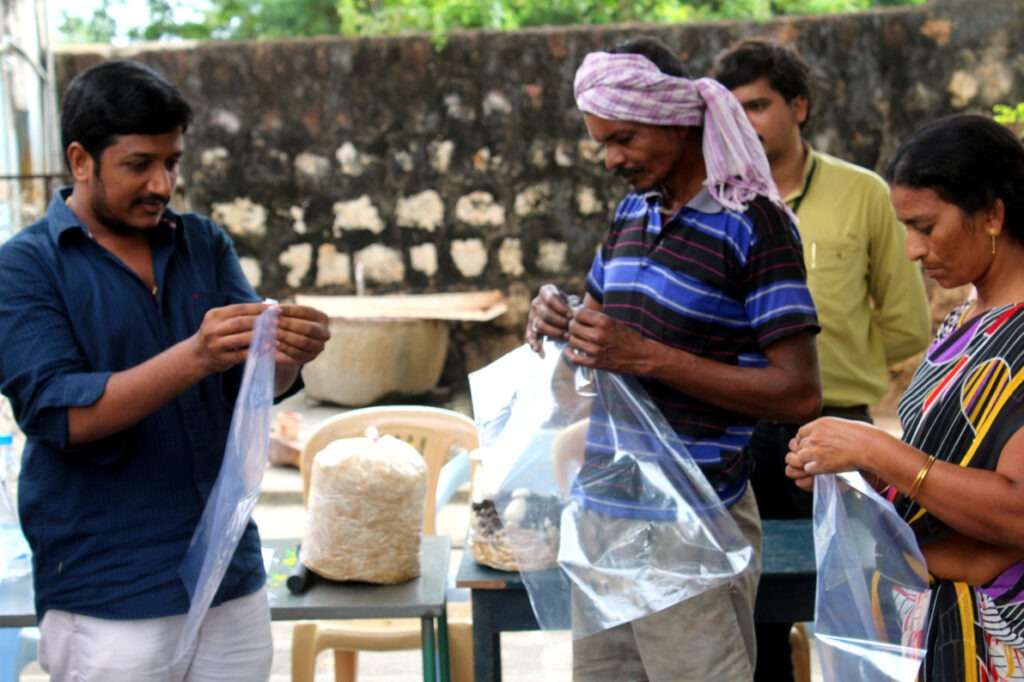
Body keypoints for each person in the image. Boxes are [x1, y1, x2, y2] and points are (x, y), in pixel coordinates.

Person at [0, 60, 330, 681]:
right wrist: (195, 355)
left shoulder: (201, 243)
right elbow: (60, 414)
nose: (161, 184)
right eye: (139, 164)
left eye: (172, 163)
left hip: (229, 576)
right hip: (110, 594)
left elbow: (251, 389)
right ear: (80, 161)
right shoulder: (24, 267)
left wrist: (288, 355)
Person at [527, 37, 822, 681]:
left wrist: (650, 358)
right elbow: (597, 344)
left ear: (676, 117)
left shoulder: (753, 224)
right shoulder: (633, 212)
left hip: (695, 526)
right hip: (607, 519)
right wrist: (556, 317)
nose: (612, 158)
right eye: (602, 141)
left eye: (624, 138)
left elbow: (799, 393)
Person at [710, 38, 932, 680]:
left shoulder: (863, 194)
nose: (746, 122)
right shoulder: (714, 202)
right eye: (733, 108)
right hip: (741, 429)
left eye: (759, 104)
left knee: (859, 599)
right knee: (751, 611)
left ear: (798, 106)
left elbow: (904, 320)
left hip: (844, 427)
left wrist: (839, 377)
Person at [786, 114, 1024, 681]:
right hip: (940, 622)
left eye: (926, 227)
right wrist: (854, 472)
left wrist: (877, 451)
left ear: (992, 214)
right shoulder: (965, 322)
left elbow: (1016, 512)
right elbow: (943, 470)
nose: (913, 251)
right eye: (905, 229)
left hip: (1000, 636)